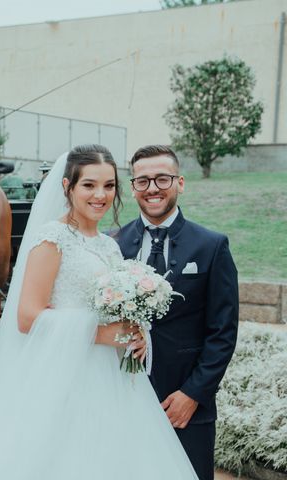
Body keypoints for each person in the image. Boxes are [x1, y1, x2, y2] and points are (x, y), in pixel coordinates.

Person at [0, 145, 198, 479]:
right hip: (62, 374)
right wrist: (100, 333)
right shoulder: (52, 239)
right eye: (89, 185)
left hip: (114, 378)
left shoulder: (109, 244)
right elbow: (28, 317)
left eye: (108, 186)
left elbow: (110, 308)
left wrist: (136, 334)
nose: (100, 195)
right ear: (68, 188)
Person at [116, 145, 238, 480]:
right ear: (133, 188)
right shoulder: (113, 244)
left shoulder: (212, 246)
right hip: (121, 399)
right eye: (142, 181)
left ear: (180, 183)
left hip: (184, 406)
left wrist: (193, 394)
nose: (152, 188)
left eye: (162, 178)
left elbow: (223, 333)